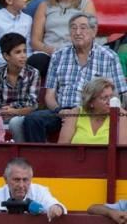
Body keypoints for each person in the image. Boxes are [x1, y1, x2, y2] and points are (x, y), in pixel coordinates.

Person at [24, 13, 127, 142]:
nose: (78, 32)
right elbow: (49, 95)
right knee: (33, 120)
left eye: (83, 28)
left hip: (94, 112)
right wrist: (59, 110)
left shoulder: (109, 56)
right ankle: (39, 160)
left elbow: (121, 94)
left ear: (94, 31)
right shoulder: (58, 56)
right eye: (73, 28)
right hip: (63, 111)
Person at [28, 0, 95, 75]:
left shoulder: (86, 4)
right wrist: (52, 50)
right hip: (49, 54)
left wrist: (69, 52)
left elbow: (89, 36)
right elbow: (35, 41)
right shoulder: (44, 6)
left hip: (75, 53)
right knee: (36, 61)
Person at [0, 32, 38, 142]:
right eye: (18, 52)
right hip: (1, 115)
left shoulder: (33, 73)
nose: (23, 55)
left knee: (15, 122)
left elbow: (32, 105)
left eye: (25, 51)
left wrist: (14, 111)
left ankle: (20, 154)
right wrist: (3, 111)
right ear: (6, 56)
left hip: (22, 117)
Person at [57, 77, 127, 145]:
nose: (110, 101)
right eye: (104, 98)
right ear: (91, 102)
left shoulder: (120, 114)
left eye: (111, 97)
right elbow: (62, 148)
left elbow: (122, 151)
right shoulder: (76, 113)